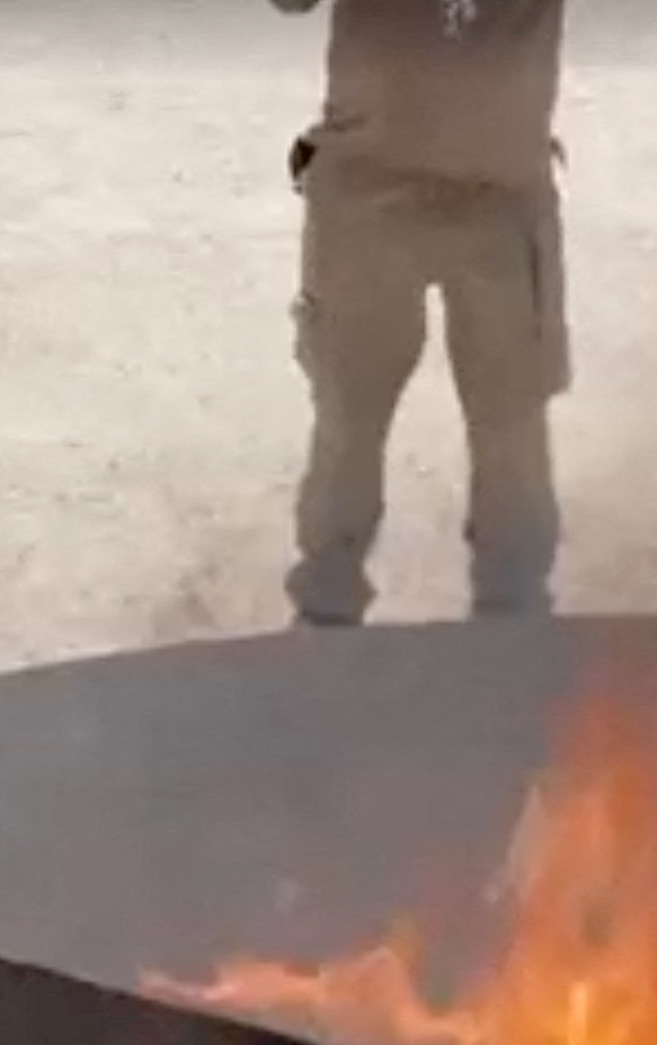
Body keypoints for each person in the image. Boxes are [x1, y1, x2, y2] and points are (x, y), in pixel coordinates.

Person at [271, 0, 571, 626]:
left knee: (510, 425)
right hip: (372, 194)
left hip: (497, 199)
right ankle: (327, 615)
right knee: (350, 418)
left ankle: (512, 619)